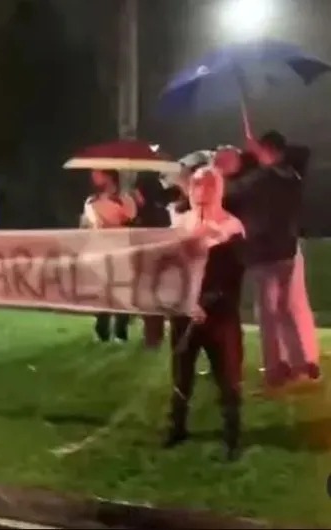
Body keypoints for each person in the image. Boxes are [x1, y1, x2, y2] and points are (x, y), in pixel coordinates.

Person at [226, 130, 320, 392]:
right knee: (286, 311)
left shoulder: (262, 178)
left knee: (268, 315)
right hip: (286, 251)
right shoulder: (292, 175)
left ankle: (276, 370)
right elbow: (300, 153)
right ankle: (301, 364)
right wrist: (258, 150)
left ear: (268, 149)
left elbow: (231, 193)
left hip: (265, 253)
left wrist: (248, 156)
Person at [164, 166, 246, 461]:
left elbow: (233, 275)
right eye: (197, 186)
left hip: (219, 315)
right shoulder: (181, 223)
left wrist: (207, 303)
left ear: (218, 190)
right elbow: (171, 270)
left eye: (208, 186)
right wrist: (186, 302)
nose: (201, 192)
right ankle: (177, 427)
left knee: (227, 375)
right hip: (184, 312)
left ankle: (231, 436)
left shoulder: (232, 226)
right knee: (181, 373)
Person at [80, 169, 137, 343]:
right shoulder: (92, 200)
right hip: (99, 251)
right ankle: (101, 330)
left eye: (98, 174)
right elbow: (84, 226)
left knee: (120, 291)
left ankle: (120, 332)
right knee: (101, 293)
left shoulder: (125, 199)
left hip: (121, 251)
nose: (94, 177)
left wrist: (113, 223)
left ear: (109, 176)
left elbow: (132, 222)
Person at [132, 173, 174, 349]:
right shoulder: (161, 210)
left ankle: (152, 337)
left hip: (148, 260)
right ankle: (154, 335)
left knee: (149, 299)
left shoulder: (147, 214)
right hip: (160, 260)